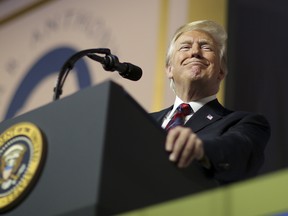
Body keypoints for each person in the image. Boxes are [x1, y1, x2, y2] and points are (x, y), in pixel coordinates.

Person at [151, 20, 270, 185]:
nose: (195, 52)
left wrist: (200, 149)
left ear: (221, 72)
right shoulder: (144, 121)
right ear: (169, 69)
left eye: (206, 47)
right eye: (185, 47)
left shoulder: (245, 123)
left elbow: (238, 152)